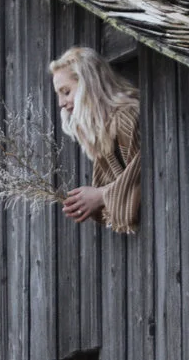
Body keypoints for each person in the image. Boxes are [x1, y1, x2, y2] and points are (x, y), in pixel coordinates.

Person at [50, 46, 141, 233]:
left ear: (88, 84)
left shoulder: (125, 118)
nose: (61, 103)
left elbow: (145, 174)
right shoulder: (103, 132)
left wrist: (101, 196)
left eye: (66, 92)